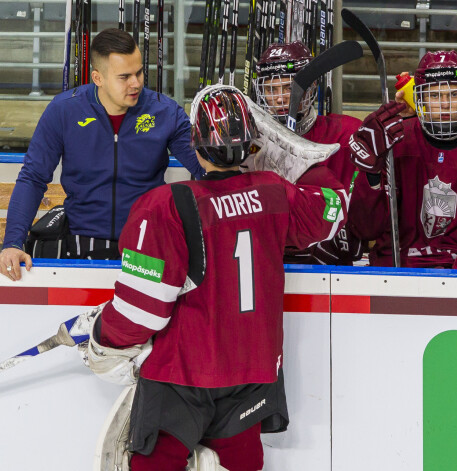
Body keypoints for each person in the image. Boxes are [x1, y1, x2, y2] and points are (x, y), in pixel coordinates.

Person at [86, 85, 348, 471]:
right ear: (252, 142)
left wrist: (103, 336)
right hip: (252, 370)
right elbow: (333, 207)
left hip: (183, 373)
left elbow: (142, 312)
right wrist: (295, 152)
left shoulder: (166, 205)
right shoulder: (275, 193)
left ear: (194, 143)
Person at [0, 28, 204, 281]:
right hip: (80, 240)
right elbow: (33, 177)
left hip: (147, 242)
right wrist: (13, 243)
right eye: (124, 76)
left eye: (139, 72)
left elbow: (204, 167)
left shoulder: (166, 112)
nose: (136, 83)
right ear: (97, 78)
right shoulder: (64, 111)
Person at [347, 50, 457, 269]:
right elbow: (364, 229)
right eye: (435, 95)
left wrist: (449, 283)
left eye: (454, 95)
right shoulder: (391, 144)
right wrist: (371, 173)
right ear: (420, 99)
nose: (445, 104)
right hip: (395, 273)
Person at [253, 41, 365, 265]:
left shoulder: (346, 134)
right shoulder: (252, 141)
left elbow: (364, 211)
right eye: (271, 89)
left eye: (288, 88)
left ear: (312, 87)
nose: (280, 98)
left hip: (331, 263)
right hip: (270, 261)